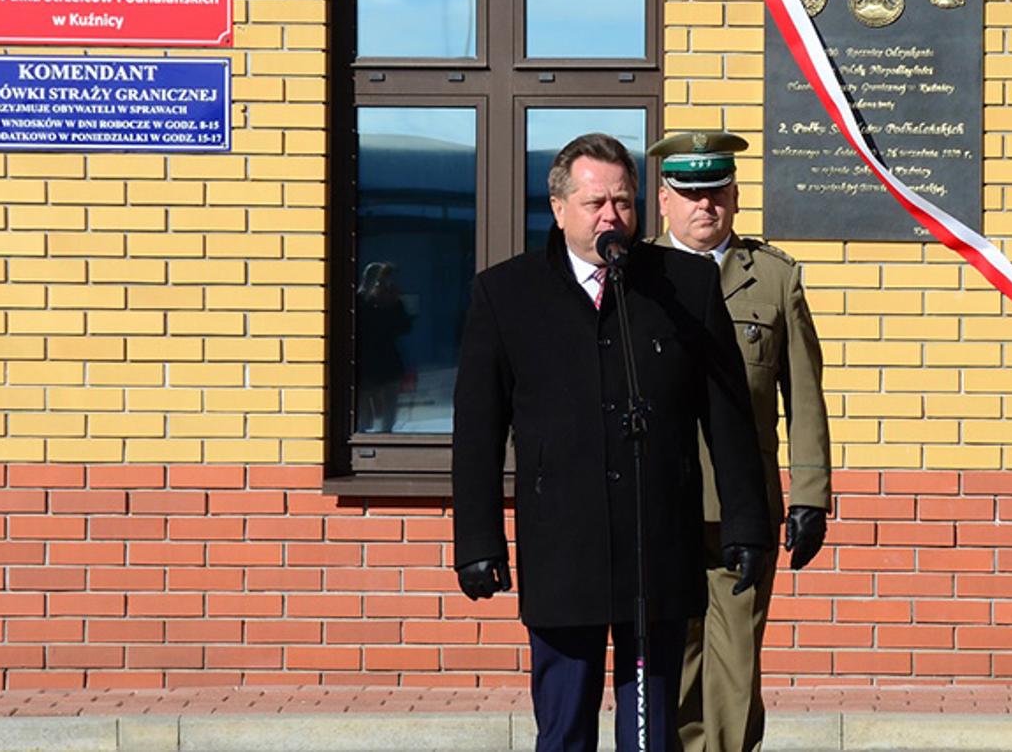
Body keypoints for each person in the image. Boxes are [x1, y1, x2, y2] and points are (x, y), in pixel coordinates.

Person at [450, 133, 776, 752]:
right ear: (558, 208)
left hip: (656, 541)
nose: (611, 217)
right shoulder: (506, 294)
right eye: (595, 203)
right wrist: (477, 540)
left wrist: (746, 522)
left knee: (650, 733)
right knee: (565, 727)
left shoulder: (685, 285)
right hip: (562, 547)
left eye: (623, 202)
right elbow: (478, 431)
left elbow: (728, 414)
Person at [648, 131, 832, 752]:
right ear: (664, 200)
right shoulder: (637, 276)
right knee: (672, 655)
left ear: (735, 196)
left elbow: (804, 395)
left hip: (742, 508)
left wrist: (810, 494)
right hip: (660, 500)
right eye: (689, 193)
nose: (705, 205)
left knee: (735, 663)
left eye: (717, 192)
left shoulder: (774, 278)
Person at [356, 261, 413, 432]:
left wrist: (392, 304)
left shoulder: (393, 303)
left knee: (389, 406)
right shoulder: (361, 302)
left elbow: (404, 327)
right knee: (362, 411)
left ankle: (386, 433)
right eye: (380, 282)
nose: (384, 286)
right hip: (365, 364)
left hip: (387, 363)